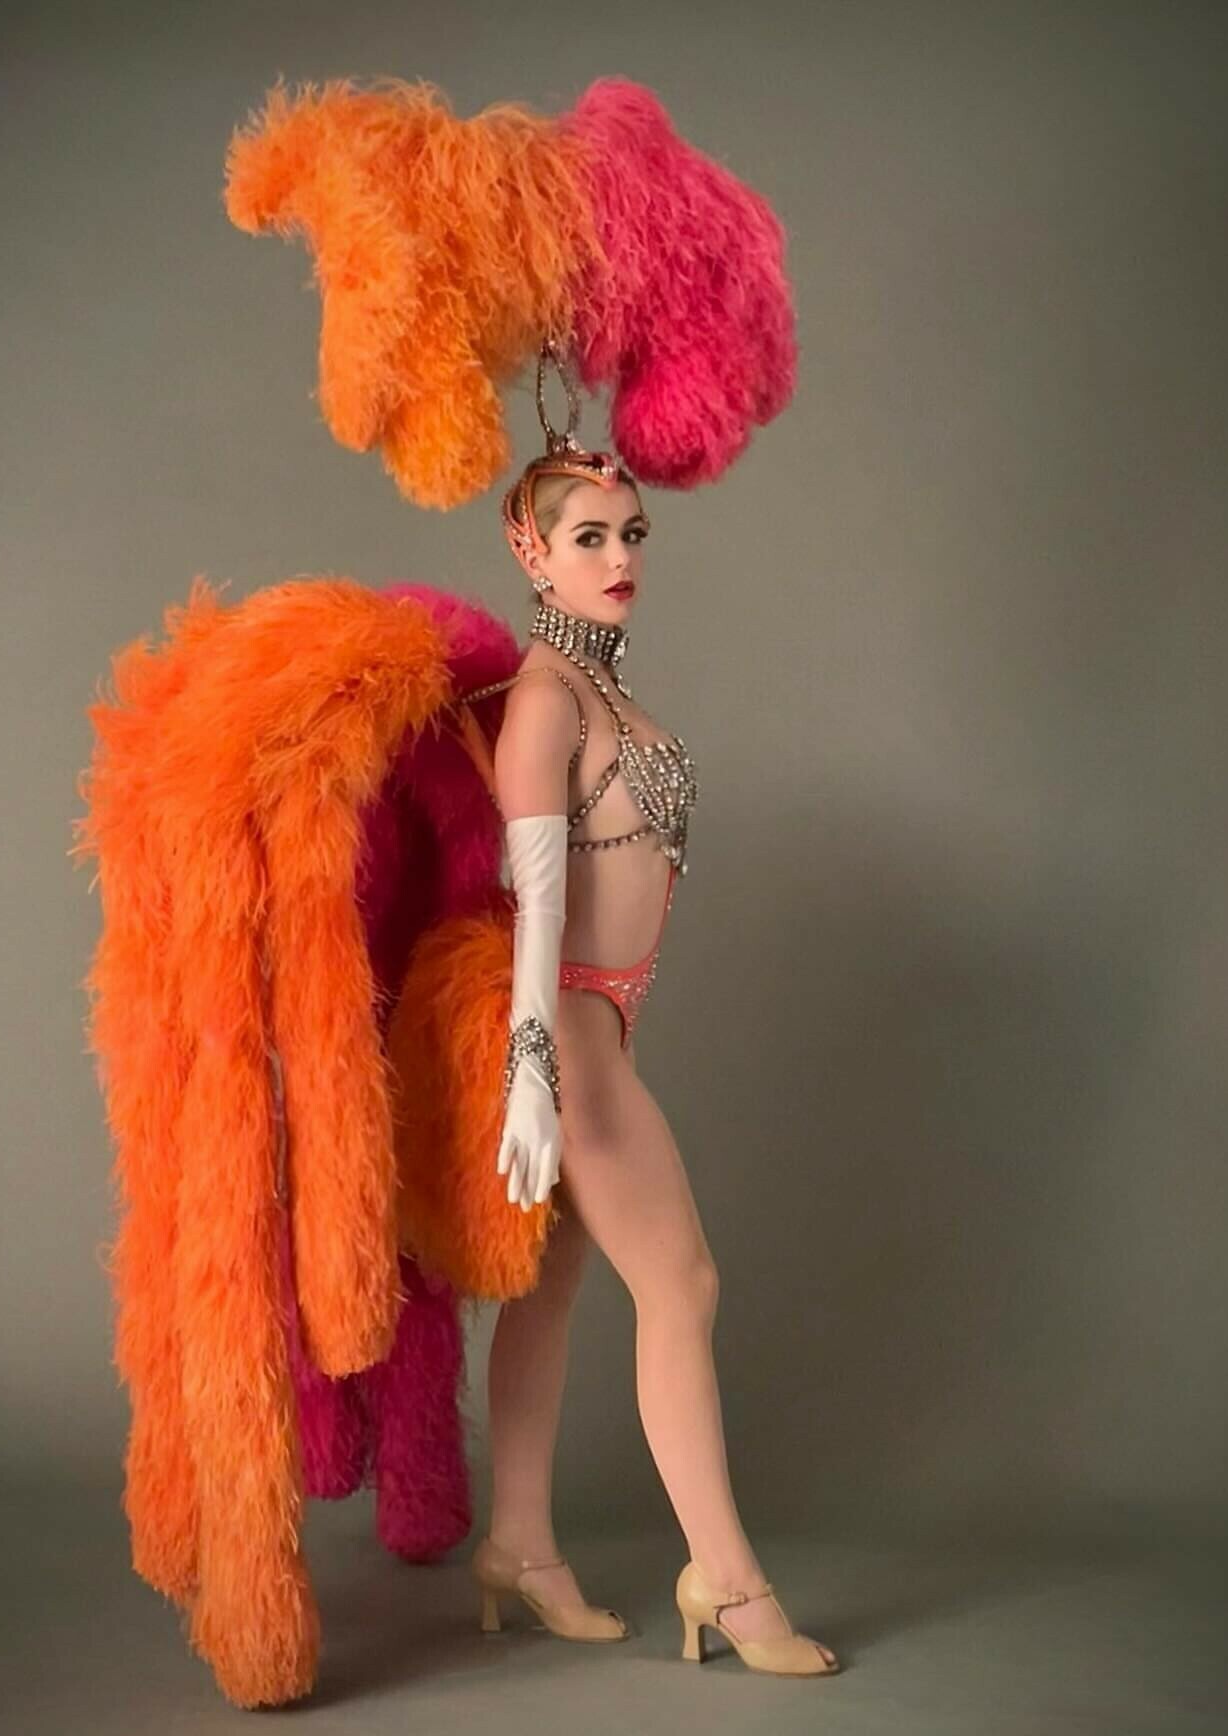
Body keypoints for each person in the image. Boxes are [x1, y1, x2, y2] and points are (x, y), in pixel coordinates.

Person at [457, 344, 840, 1677]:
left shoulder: (600, 688)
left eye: (632, 534)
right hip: (570, 1044)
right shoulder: (544, 704)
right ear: (530, 550)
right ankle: (727, 1582)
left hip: (602, 1031)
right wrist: (531, 1072)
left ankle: (519, 1546)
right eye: (589, 538)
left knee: (552, 1293)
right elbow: (537, 907)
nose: (620, 556)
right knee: (683, 1285)